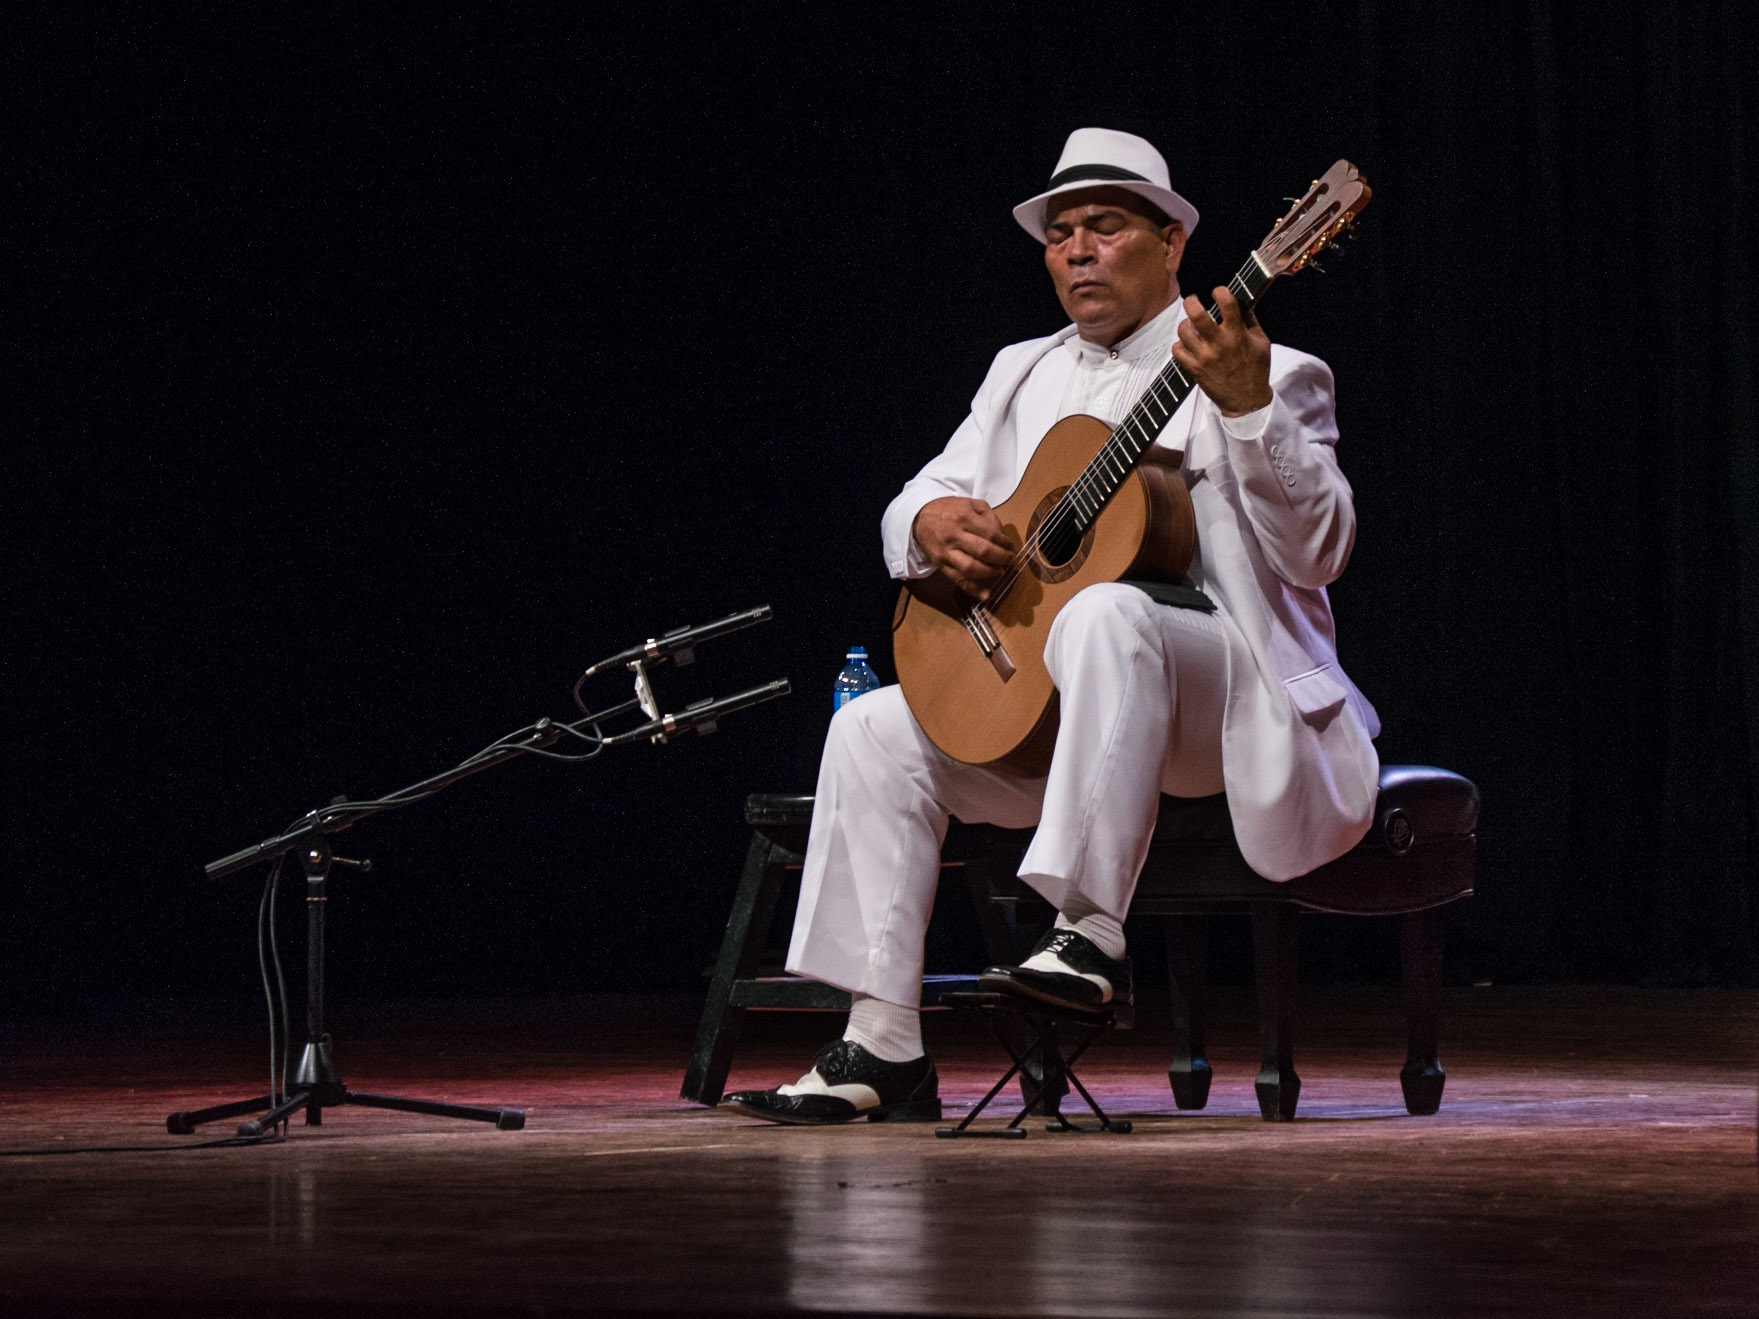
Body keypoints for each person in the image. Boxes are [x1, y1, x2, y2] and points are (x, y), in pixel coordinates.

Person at [721, 128, 1381, 1125]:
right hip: (1064, 711)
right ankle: (880, 1040)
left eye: (1103, 227)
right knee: (871, 729)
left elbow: (1321, 552)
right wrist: (927, 527)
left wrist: (1248, 413)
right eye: (1059, 233)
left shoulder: (1275, 370)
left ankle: (1085, 930)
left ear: (1171, 242)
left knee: (1108, 610)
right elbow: (918, 499)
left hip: (1222, 703)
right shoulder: (1019, 371)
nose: (1075, 250)